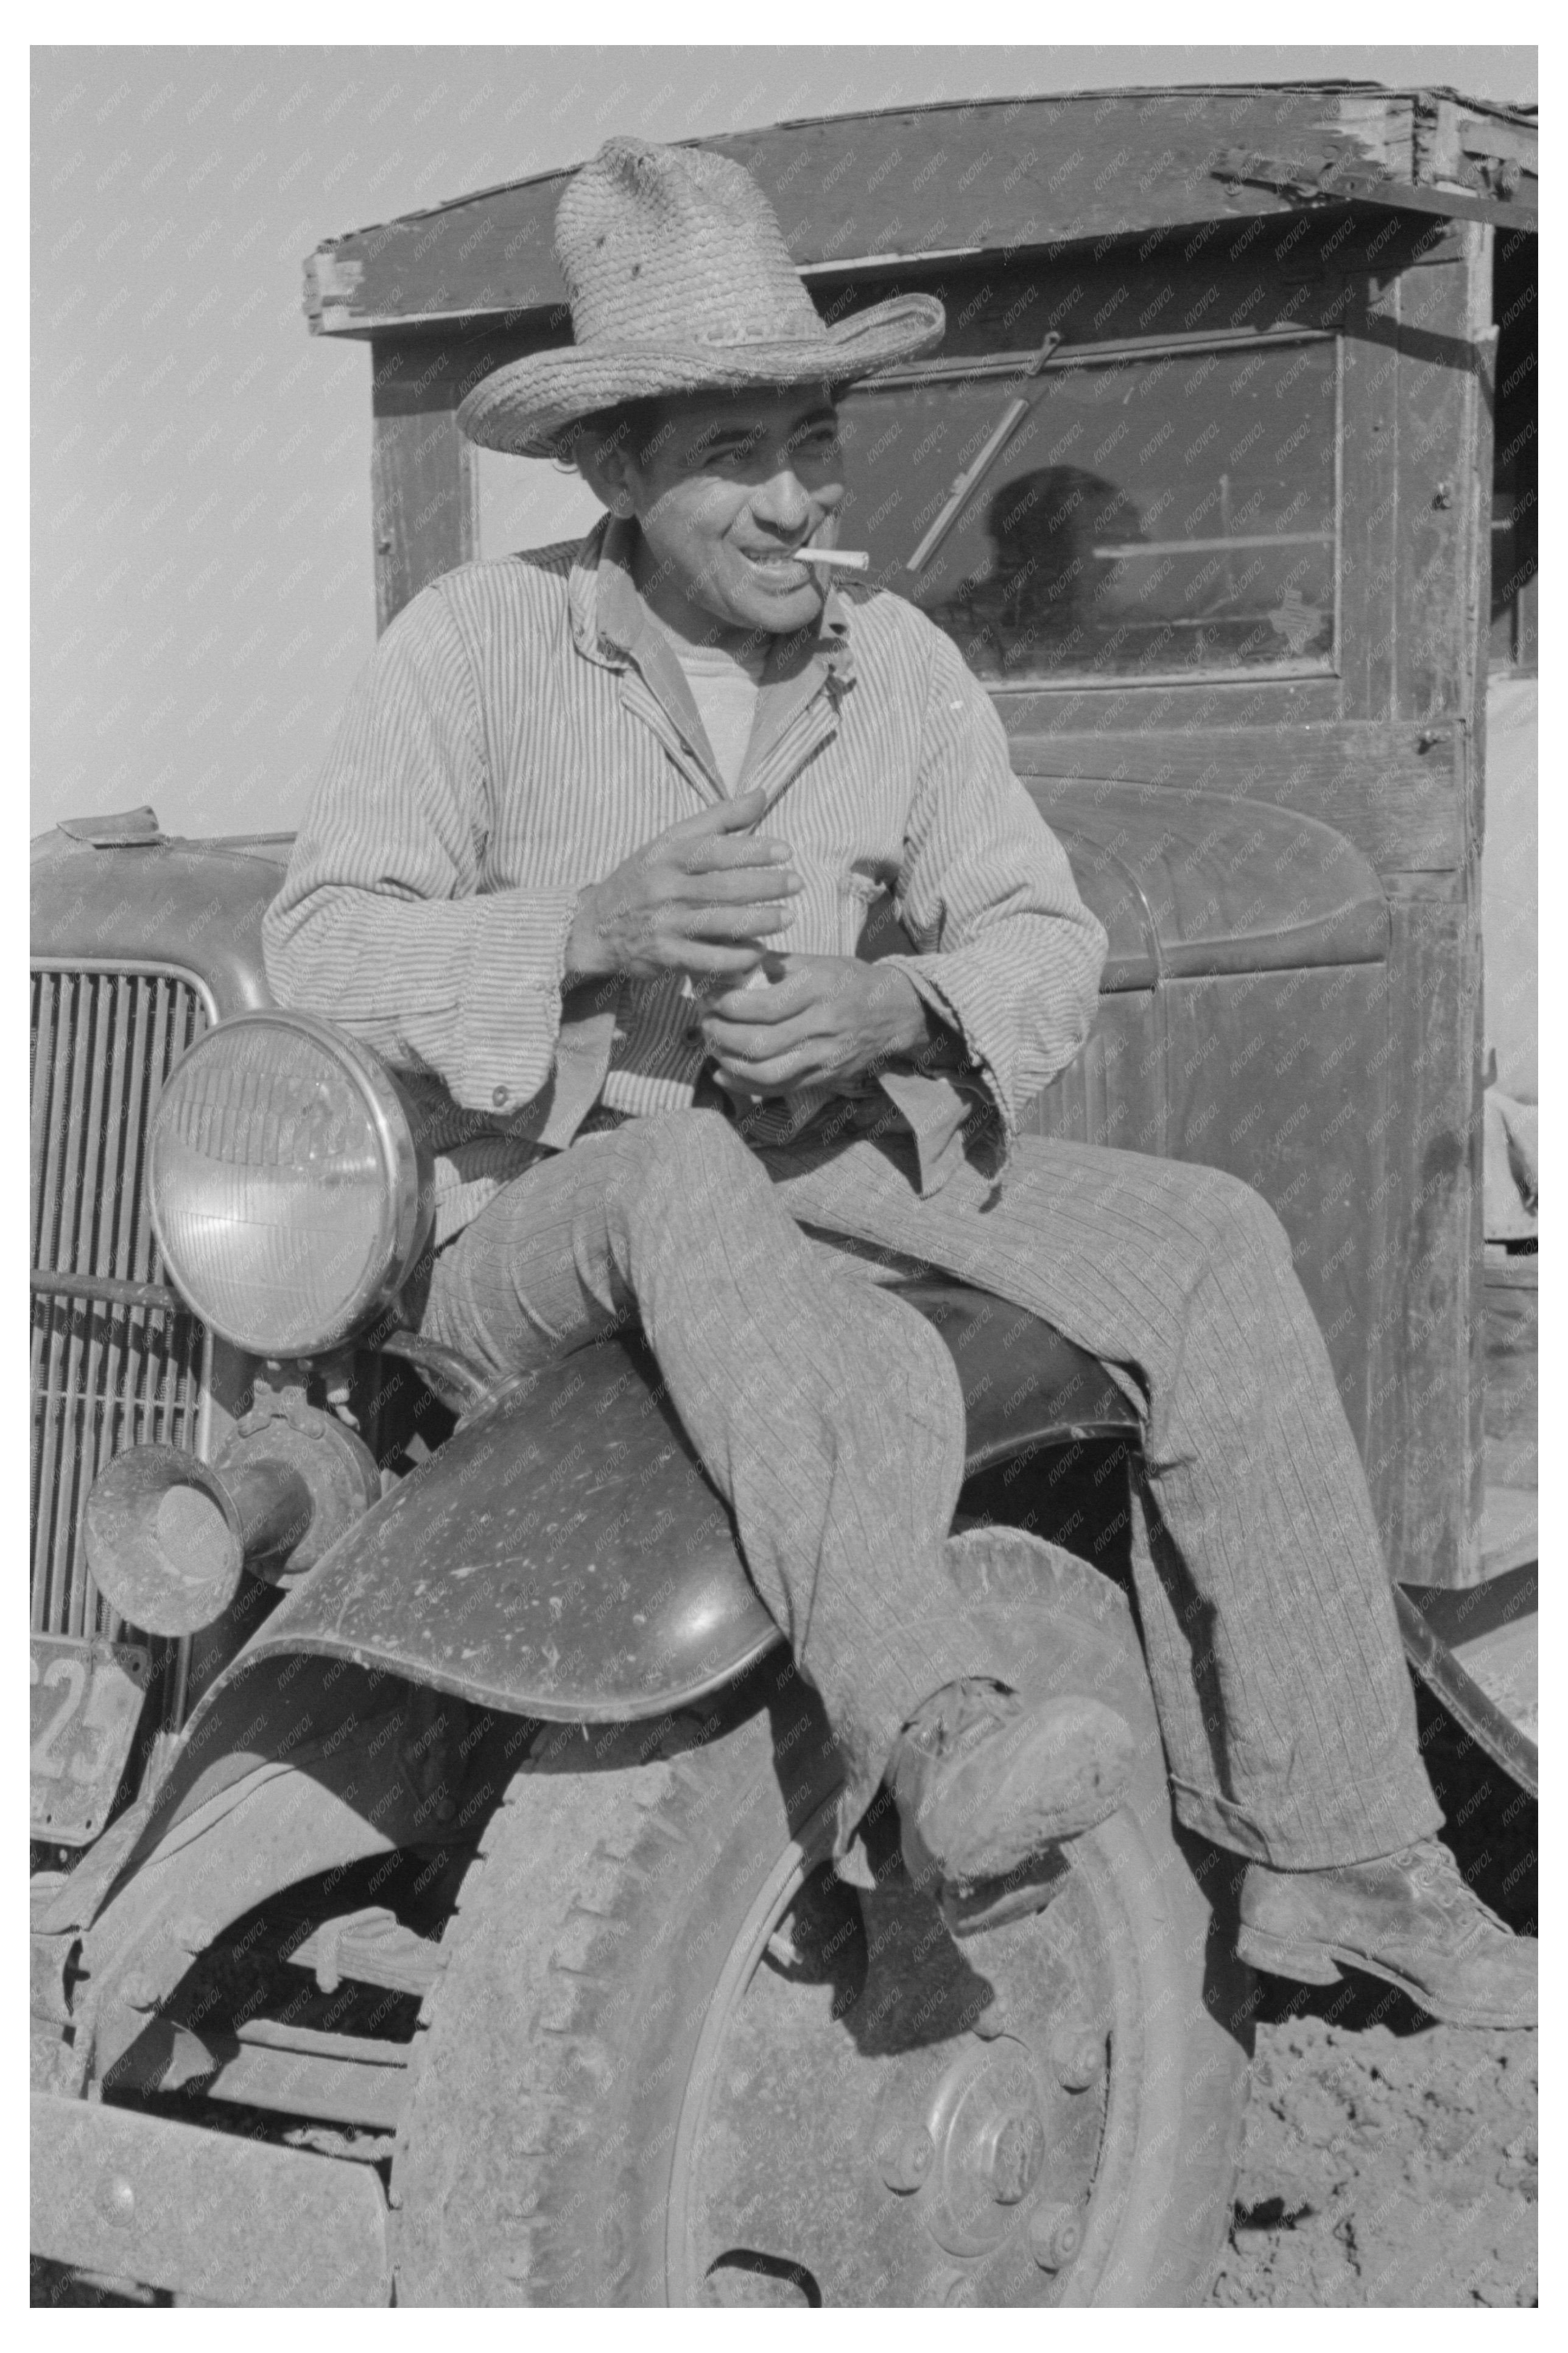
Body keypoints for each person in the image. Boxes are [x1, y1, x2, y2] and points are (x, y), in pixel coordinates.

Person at [265, 135, 1533, 2023]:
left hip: (824, 1169)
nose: (797, 502)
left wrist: (895, 1011)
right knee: (688, 1187)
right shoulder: (475, 647)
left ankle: (1341, 1857)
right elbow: (322, 944)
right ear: (616, 470)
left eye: (817, 444)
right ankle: (938, 1729)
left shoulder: (906, 670)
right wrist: (580, 929)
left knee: (1209, 1238)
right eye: (736, 456)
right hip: (537, 1215)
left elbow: (1046, 939)